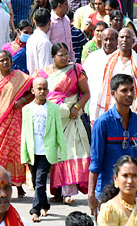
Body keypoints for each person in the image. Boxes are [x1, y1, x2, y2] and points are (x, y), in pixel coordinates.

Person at [89, 72, 137, 214]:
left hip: (132, 189)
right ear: (114, 94)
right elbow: (95, 161)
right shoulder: (103, 123)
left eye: (131, 89)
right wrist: (91, 193)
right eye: (124, 90)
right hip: (106, 189)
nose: (129, 94)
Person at [42, 42, 91, 202]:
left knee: (72, 152)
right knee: (56, 156)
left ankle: (69, 191)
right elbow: (39, 93)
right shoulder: (44, 73)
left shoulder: (76, 70)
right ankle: (58, 192)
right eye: (60, 55)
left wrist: (76, 107)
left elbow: (86, 93)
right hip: (53, 119)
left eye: (66, 54)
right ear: (53, 57)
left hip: (71, 118)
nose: (64, 58)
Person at [0, 48, 34, 192]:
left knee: (14, 152)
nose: (5, 62)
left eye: (7, 59)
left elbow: (34, 92)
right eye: (2, 60)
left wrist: (23, 99)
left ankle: (17, 185)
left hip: (14, 122)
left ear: (12, 61)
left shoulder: (20, 77)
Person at [20, 75, 66, 221]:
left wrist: (62, 152)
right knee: (35, 181)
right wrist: (24, 153)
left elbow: (59, 131)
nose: (42, 91)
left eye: (45, 89)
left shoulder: (53, 109)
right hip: (33, 151)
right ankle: (44, 204)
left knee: (40, 180)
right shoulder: (27, 109)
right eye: (39, 89)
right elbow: (24, 133)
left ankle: (35, 210)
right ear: (33, 91)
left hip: (47, 151)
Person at [96, 155, 137, 226]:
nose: (130, 181)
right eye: (125, 176)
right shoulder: (110, 209)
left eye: (134, 175)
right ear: (116, 178)